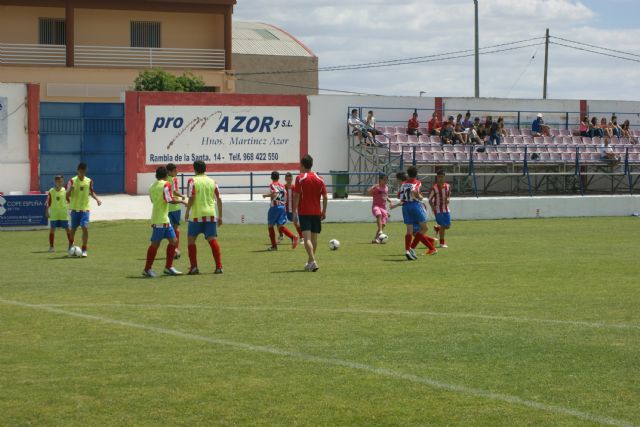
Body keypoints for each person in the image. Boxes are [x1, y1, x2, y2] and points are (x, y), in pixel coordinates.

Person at [142, 166, 186, 278]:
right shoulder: (166, 184)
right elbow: (169, 199)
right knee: (155, 245)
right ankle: (147, 269)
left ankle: (169, 267)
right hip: (160, 220)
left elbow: (153, 200)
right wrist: (182, 201)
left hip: (161, 218)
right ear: (166, 175)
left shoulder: (152, 186)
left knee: (173, 241)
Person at [184, 160, 223, 274]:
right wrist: (220, 216)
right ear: (205, 169)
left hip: (197, 215)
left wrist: (187, 211)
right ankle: (219, 267)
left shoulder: (192, 180)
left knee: (191, 240)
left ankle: (194, 267)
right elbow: (219, 199)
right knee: (212, 240)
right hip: (211, 215)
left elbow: (191, 197)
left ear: (194, 169)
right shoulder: (212, 181)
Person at [292, 154, 328, 272]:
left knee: (306, 238)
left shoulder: (300, 178)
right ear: (311, 165)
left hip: (305, 211)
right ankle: (309, 262)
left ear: (302, 165)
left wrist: (294, 212)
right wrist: (324, 211)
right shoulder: (320, 179)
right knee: (314, 239)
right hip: (316, 212)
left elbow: (296, 196)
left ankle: (312, 261)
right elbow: (325, 197)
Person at [398, 166, 437, 260]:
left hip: (405, 207)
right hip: (415, 205)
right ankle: (412, 248)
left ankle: (407, 250)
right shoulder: (417, 182)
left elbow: (399, 196)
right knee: (424, 228)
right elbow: (418, 196)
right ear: (416, 174)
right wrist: (420, 196)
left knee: (409, 231)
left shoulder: (403, 184)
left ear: (408, 174)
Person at [66, 162, 102, 258]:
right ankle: (70, 245)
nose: (81, 173)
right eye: (80, 171)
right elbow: (66, 195)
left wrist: (97, 199)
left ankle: (84, 249)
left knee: (85, 227)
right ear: (78, 171)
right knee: (73, 230)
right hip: (74, 209)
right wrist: (70, 190)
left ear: (85, 171)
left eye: (83, 171)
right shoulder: (72, 181)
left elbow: (91, 192)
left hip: (85, 209)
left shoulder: (89, 181)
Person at [263, 171, 299, 251]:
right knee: (279, 226)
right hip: (282, 207)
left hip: (275, 207)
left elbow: (274, 194)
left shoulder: (272, 185)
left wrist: (265, 195)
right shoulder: (282, 186)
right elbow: (285, 194)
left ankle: (274, 246)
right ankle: (293, 237)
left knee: (270, 226)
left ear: (271, 177)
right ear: (279, 178)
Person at [45, 175, 73, 252]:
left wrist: (72, 207)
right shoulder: (51, 191)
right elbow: (48, 202)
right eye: (58, 181)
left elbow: (69, 199)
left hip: (63, 214)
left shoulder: (64, 190)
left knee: (68, 229)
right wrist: (47, 211)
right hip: (54, 214)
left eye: (61, 181)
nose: (60, 183)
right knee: (52, 230)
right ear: (55, 182)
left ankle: (71, 245)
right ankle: (51, 247)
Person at [166, 163, 185, 259]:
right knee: (175, 229)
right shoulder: (174, 179)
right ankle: (175, 249)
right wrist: (182, 196)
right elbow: (175, 191)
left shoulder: (164, 179)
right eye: (175, 170)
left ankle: (173, 250)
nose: (177, 172)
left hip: (166, 208)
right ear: (169, 171)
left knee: (169, 229)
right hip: (175, 206)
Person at [428, 170, 452, 249]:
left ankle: (437, 228)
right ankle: (442, 243)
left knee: (448, 226)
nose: (440, 178)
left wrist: (448, 199)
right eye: (439, 177)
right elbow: (430, 199)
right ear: (437, 177)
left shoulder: (448, 186)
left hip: (446, 209)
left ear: (444, 177)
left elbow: (449, 195)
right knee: (443, 225)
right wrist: (432, 208)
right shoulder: (434, 188)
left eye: (442, 177)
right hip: (438, 209)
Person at [368, 173, 392, 244]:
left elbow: (385, 196)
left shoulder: (386, 188)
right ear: (380, 180)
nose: (386, 181)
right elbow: (368, 193)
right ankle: (381, 231)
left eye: (386, 180)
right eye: (384, 179)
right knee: (379, 215)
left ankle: (376, 239)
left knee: (383, 224)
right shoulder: (376, 187)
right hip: (376, 205)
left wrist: (389, 200)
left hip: (383, 208)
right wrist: (372, 189)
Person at [280, 172, 303, 242]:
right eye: (287, 179)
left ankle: (302, 238)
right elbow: (280, 199)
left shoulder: (295, 188)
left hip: (293, 210)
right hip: (284, 210)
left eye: (290, 179)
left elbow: (299, 198)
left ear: (292, 179)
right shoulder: (282, 188)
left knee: (296, 223)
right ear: (285, 179)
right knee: (279, 223)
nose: (288, 180)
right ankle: (281, 236)